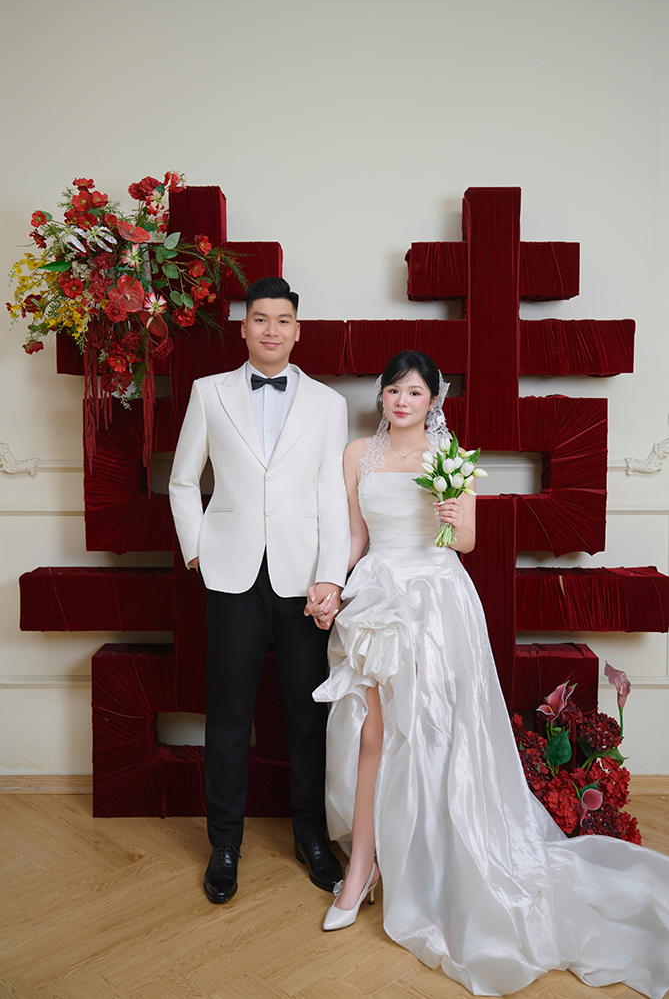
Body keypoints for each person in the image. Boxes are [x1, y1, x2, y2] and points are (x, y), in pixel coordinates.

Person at [312, 350, 669, 998]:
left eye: (414, 392)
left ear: (433, 401)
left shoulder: (450, 457)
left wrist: (453, 518)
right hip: (378, 598)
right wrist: (333, 583)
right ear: (381, 395)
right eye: (393, 390)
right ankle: (361, 868)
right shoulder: (357, 453)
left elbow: (467, 542)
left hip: (436, 602)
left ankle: (439, 863)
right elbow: (355, 535)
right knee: (371, 733)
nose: (401, 401)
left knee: (435, 734)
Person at [169, 276, 350, 903]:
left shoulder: (328, 404)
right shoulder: (209, 392)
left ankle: (312, 838)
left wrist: (331, 576)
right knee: (228, 714)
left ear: (298, 331)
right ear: (244, 328)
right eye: (260, 319)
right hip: (231, 575)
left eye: (283, 320)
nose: (271, 329)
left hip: (304, 581)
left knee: (308, 714)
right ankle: (224, 844)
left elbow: (333, 497)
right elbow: (182, 481)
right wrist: (197, 549)